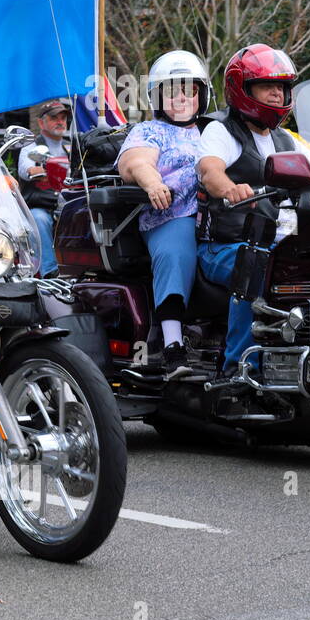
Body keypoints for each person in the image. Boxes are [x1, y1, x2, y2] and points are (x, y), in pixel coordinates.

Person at [196, 44, 310, 376]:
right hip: (222, 247)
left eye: (282, 86)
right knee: (255, 266)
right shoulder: (220, 130)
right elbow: (210, 170)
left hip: (275, 241)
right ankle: (239, 372)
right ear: (242, 89)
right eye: (267, 85)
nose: (277, 93)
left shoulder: (287, 140)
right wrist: (229, 188)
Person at [116, 50, 211, 378]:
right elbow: (135, 163)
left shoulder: (217, 130)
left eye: (190, 89)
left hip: (223, 219)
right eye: (172, 89)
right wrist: (153, 183)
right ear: (158, 96)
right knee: (177, 248)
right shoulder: (150, 130)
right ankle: (173, 347)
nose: (182, 96)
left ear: (203, 94)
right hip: (171, 214)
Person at [16, 98, 71, 276]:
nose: (60, 122)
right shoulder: (31, 145)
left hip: (68, 204)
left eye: (63, 118)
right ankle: (50, 272)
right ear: (41, 122)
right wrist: (45, 169)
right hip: (41, 205)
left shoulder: (72, 146)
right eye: (55, 118)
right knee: (39, 219)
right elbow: (26, 170)